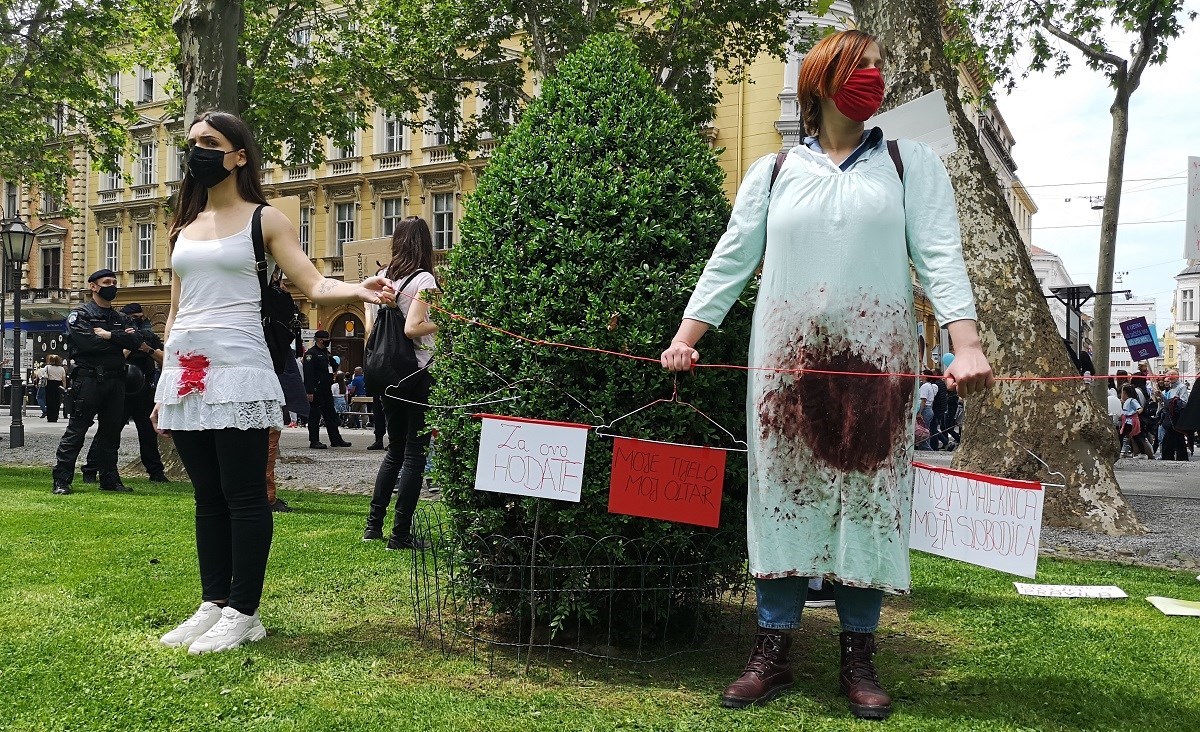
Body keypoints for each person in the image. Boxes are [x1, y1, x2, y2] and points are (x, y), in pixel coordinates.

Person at [659, 30, 993, 720]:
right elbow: (731, 259)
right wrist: (686, 338)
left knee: (869, 499)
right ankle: (772, 649)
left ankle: (858, 656)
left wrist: (967, 343)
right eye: (860, 67)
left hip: (879, 367)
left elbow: (940, 253)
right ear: (821, 82)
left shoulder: (910, 164)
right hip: (785, 370)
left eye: (878, 66)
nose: (874, 77)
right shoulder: (774, 172)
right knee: (782, 497)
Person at [152, 110, 394, 654]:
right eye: (192, 143)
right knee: (207, 496)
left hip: (239, 370)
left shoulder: (267, 220)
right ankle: (213, 603)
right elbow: (174, 311)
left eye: (209, 143)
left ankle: (244, 611)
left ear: (238, 156)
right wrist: (163, 384)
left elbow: (312, 282)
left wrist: (359, 288)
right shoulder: (182, 227)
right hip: (187, 377)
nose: (196, 153)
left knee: (243, 495)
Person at [363, 216, 438, 551]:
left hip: (385, 375)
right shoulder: (423, 279)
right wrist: (441, 323)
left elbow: (369, 332)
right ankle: (400, 535)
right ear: (425, 244)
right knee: (415, 452)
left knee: (394, 449)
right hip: (416, 373)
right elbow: (412, 329)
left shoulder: (380, 281)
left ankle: (372, 527)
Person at [51, 269, 146, 495]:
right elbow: (88, 345)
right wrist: (118, 341)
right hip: (89, 379)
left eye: (114, 282)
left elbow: (137, 341)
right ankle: (61, 480)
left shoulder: (120, 317)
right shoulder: (81, 315)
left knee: (111, 433)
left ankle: (109, 480)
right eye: (107, 282)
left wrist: (110, 335)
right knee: (77, 430)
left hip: (116, 380)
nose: (112, 285)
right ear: (93, 286)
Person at [82, 302, 168, 483]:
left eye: (140, 317)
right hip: (119, 389)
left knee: (148, 434)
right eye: (133, 318)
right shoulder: (114, 335)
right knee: (108, 431)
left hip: (144, 390)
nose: (138, 322)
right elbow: (112, 358)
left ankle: (156, 472)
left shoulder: (148, 336)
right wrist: (128, 343)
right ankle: (91, 468)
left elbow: (164, 360)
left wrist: (146, 348)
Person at [302, 330, 351, 449]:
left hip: (326, 389)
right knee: (315, 416)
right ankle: (314, 441)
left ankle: (336, 440)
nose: (328, 341)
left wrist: (330, 357)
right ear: (319, 340)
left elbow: (334, 367)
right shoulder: (311, 354)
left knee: (331, 416)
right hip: (316, 390)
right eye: (326, 339)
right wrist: (309, 391)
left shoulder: (325, 353)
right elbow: (308, 374)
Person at [1159, 369, 1190, 461]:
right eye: (1169, 375)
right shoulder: (1169, 389)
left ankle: (1177, 457)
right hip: (1169, 415)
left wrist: (1174, 402)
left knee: (1176, 436)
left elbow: (1184, 402)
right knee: (1172, 437)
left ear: (1177, 376)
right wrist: (1161, 397)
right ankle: (1170, 456)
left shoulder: (1181, 387)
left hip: (1176, 416)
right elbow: (1165, 403)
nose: (1170, 377)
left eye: (1173, 374)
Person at [1118, 384, 1154, 459]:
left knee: (1124, 436)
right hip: (1127, 420)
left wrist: (1137, 412)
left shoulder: (1132, 400)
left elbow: (1139, 408)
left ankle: (1122, 451)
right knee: (1132, 437)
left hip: (1130, 421)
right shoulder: (1127, 401)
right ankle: (1129, 452)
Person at [917, 371, 938, 450]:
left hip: (925, 409)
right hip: (929, 409)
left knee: (922, 431)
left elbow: (923, 400)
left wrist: (919, 412)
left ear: (926, 377)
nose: (920, 375)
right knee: (926, 430)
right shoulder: (930, 386)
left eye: (922, 374)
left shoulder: (925, 386)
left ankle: (927, 449)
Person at [43, 354, 67, 423]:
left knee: (49, 401)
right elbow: (63, 379)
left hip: (49, 384)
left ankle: (50, 417)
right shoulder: (61, 368)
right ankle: (55, 416)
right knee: (57, 401)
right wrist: (64, 387)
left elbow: (43, 375)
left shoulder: (47, 367)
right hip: (58, 385)